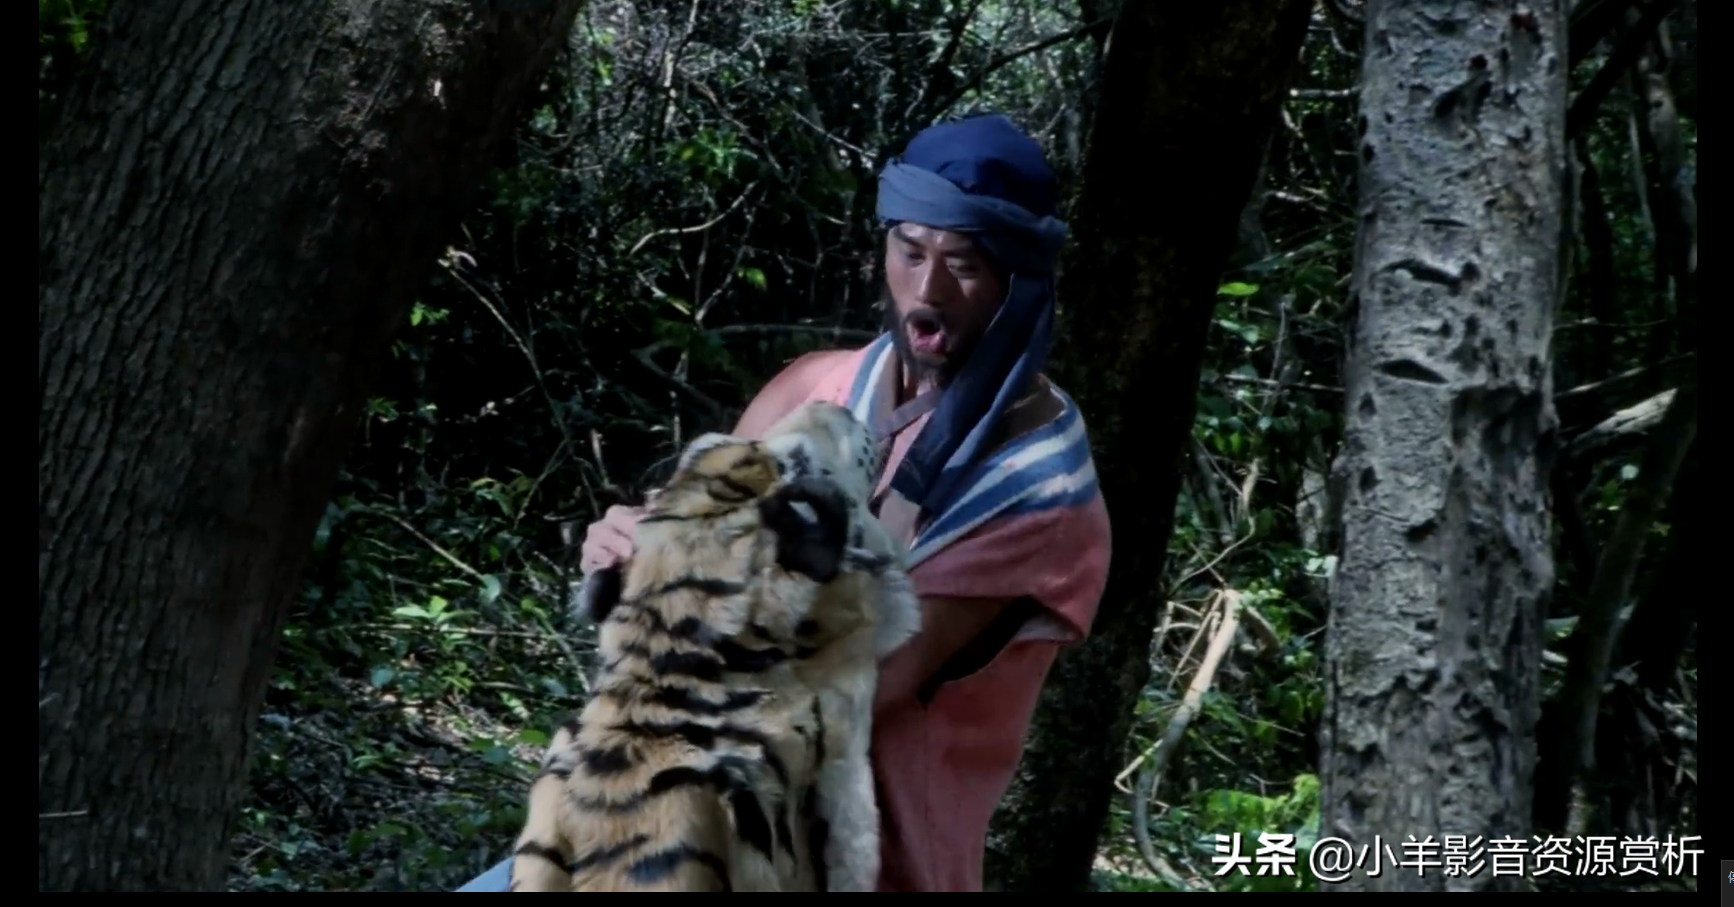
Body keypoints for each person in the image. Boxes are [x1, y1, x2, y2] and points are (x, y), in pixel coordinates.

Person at [455, 113, 1111, 892]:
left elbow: (853, 681)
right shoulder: (814, 387)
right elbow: (692, 551)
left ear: (1019, 280)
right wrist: (629, 547)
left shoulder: (1040, 493)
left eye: (964, 264)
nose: (927, 289)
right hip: (651, 815)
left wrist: (674, 584)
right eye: (910, 251)